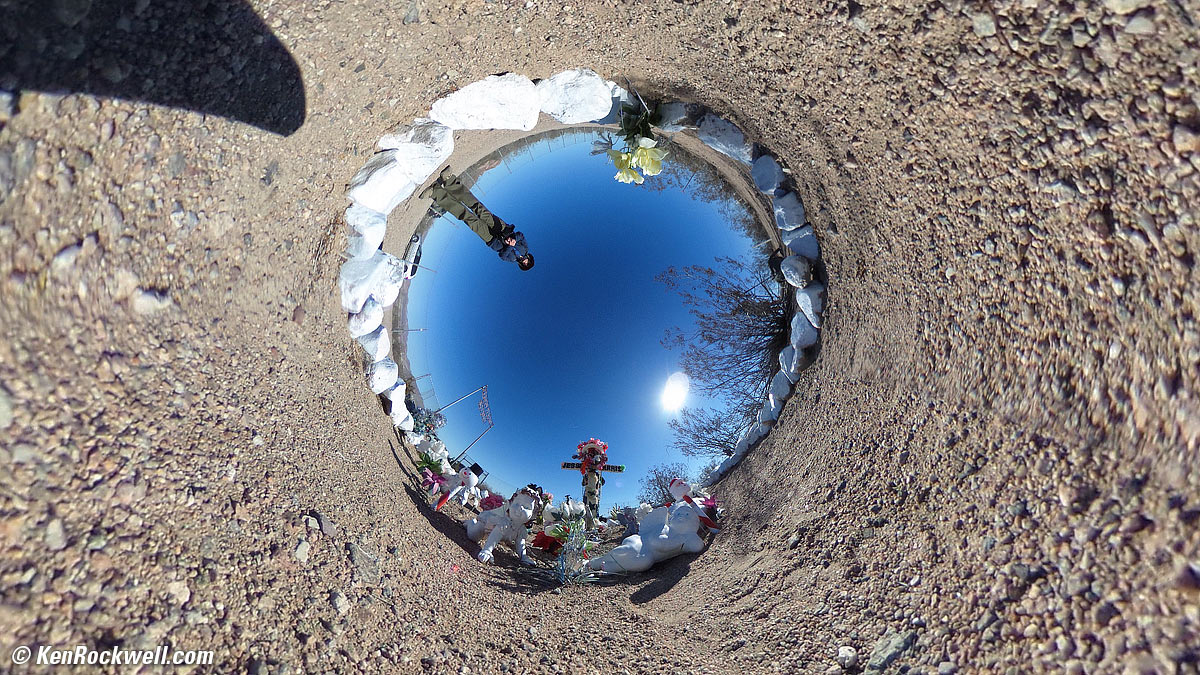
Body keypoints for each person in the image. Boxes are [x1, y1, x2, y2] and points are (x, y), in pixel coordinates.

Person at [420, 168, 534, 270]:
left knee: (468, 218)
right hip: (502, 228)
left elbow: (502, 256)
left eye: (525, 265)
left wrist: (509, 246)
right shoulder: (525, 249)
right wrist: (513, 239)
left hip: (492, 239)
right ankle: (449, 180)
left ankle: (435, 192)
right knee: (478, 208)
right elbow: (521, 235)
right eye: (528, 262)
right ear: (529, 258)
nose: (525, 262)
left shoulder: (512, 259)